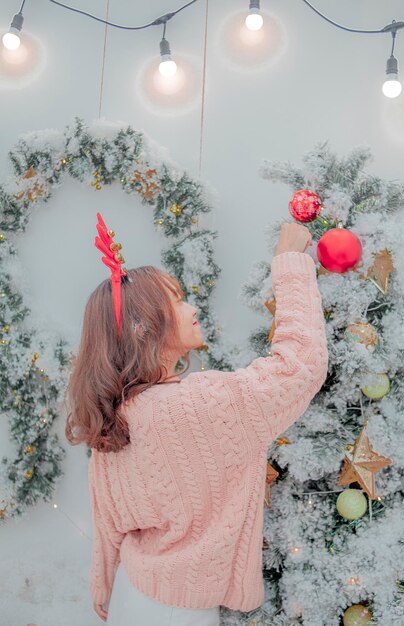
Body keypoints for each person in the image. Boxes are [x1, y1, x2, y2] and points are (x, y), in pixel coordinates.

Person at [65, 220, 329, 626]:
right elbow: (299, 367)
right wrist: (289, 262)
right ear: (144, 327)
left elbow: (107, 520)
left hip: (133, 595)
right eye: (179, 300)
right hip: (177, 613)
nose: (193, 308)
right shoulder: (196, 404)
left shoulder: (116, 415)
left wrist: (102, 585)